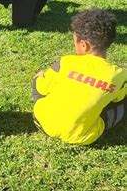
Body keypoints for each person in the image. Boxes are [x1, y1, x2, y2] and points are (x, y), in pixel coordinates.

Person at [33, 8, 125, 145]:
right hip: (82, 137)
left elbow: (41, 88)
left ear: (84, 45)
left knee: (40, 78)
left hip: (41, 122)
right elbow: (119, 98)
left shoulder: (66, 62)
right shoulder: (118, 75)